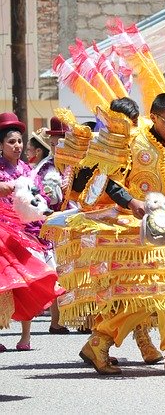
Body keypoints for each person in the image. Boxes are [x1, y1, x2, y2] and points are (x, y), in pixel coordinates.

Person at [45, 93, 165, 375]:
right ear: (153, 117)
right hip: (135, 228)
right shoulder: (132, 140)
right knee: (156, 291)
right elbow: (107, 179)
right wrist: (132, 202)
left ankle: (143, 348)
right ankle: (127, 345)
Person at [0, 112, 63, 349]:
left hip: (28, 233)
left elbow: (40, 199)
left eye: (19, 142)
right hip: (3, 234)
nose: (17, 146)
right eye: (11, 142)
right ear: (1, 145)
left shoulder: (29, 170)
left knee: (28, 282)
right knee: (4, 285)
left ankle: (25, 336)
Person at [26, 120, 70, 335]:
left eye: (60, 143)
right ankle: (57, 320)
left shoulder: (74, 165)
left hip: (71, 225)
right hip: (53, 227)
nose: (56, 148)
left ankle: (82, 318)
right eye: (53, 144)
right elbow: (44, 199)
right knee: (58, 272)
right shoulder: (47, 169)